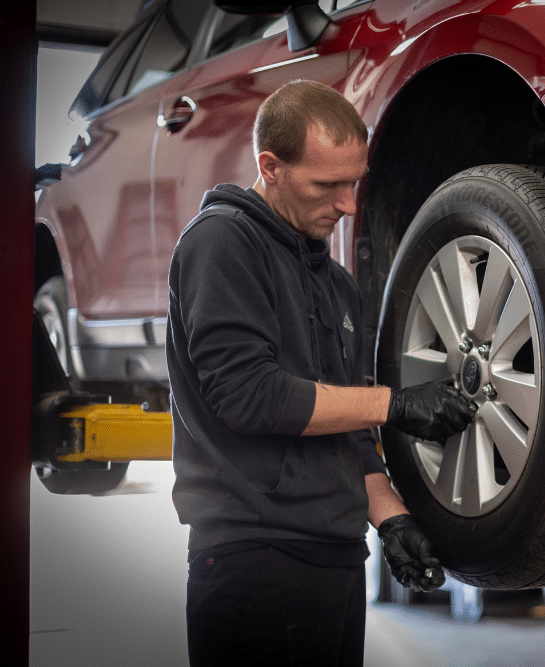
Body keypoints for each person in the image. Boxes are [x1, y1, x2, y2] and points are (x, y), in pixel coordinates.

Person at [166, 79, 478, 667]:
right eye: (328, 184)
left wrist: (391, 522)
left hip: (336, 560)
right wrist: (397, 404)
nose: (348, 205)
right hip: (254, 561)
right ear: (271, 167)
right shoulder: (222, 244)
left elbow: (347, 428)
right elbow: (248, 396)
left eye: (354, 182)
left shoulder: (333, 282)